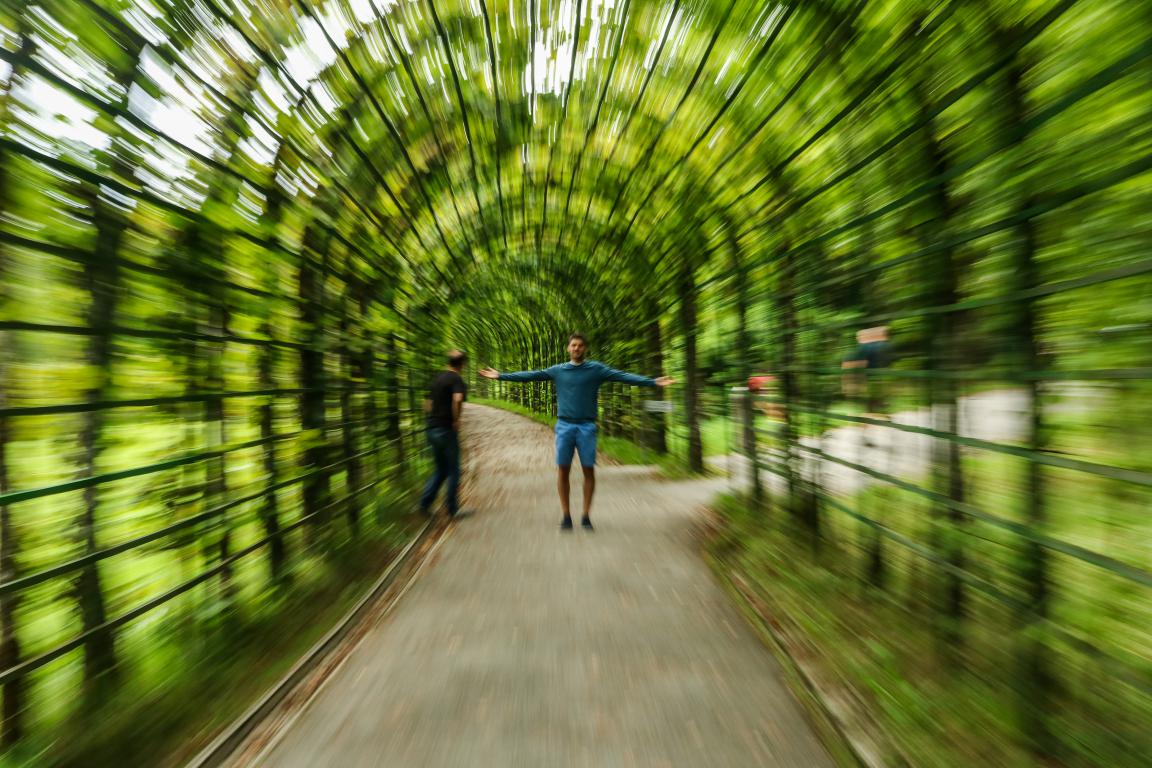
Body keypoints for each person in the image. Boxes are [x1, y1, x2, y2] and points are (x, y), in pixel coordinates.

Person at [479, 333, 673, 531]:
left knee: (588, 470)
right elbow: (531, 375)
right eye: (573, 345)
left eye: (580, 345)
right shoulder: (558, 370)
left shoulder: (596, 370)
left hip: (587, 427)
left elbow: (623, 377)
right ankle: (566, 515)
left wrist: (653, 382)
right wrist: (500, 376)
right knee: (563, 470)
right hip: (564, 426)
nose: (576, 348)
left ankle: (586, 516)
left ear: (585, 349)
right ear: (568, 348)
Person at [420, 350, 468, 518]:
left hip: (432, 428)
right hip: (447, 430)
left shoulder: (437, 379)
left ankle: (424, 504)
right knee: (454, 470)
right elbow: (457, 399)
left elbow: (426, 404)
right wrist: (456, 419)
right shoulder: (456, 379)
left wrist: (432, 419)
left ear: (449, 362)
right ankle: (452, 510)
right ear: (462, 365)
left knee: (440, 470)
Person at [841, 326, 891, 416]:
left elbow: (859, 361)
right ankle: (876, 409)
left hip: (870, 375)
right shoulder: (883, 345)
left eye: (858, 337)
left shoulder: (866, 346)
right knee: (875, 394)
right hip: (878, 375)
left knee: (870, 395)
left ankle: (871, 412)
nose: (857, 339)